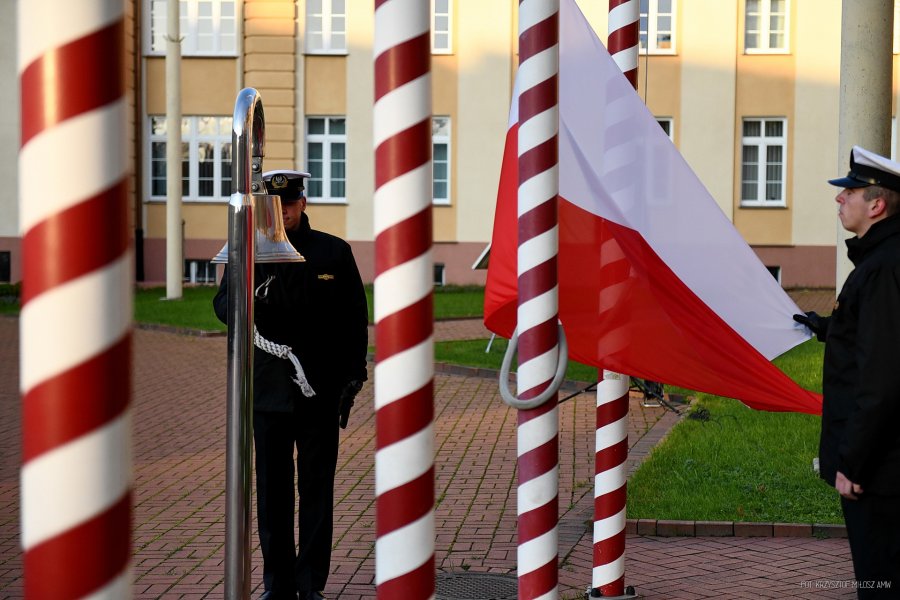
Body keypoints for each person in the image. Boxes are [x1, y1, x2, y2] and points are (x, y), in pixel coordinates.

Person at [213, 169, 369, 600]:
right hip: (267, 392)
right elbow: (223, 307)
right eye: (276, 206)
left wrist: (354, 376)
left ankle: (310, 585)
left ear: (303, 203)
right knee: (273, 495)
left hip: (318, 391)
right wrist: (252, 292)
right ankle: (277, 585)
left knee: (316, 491)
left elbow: (354, 318)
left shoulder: (333, 253)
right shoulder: (249, 251)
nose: (283, 212)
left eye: (290, 204)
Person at [794, 146, 900, 598]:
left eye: (849, 192)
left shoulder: (883, 269)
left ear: (876, 205)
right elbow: (873, 336)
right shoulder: (884, 259)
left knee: (881, 579)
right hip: (884, 461)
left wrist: (852, 461)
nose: (840, 199)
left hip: (880, 468)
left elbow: (882, 376)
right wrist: (824, 327)